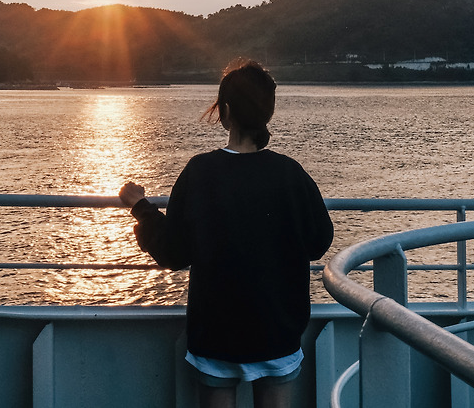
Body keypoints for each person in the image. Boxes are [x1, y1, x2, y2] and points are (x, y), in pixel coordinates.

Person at [119, 59, 334, 408]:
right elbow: (318, 241)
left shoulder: (200, 172)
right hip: (277, 329)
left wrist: (140, 207)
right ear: (267, 112)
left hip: (217, 333)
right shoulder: (290, 174)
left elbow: (173, 251)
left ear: (226, 112)